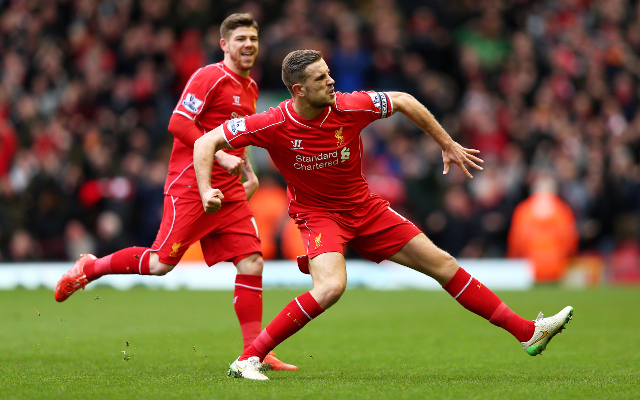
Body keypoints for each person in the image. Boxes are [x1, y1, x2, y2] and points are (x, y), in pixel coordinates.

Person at [193, 50, 574, 381]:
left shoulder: (350, 105)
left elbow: (404, 100)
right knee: (330, 288)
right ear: (299, 90)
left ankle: (528, 332)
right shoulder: (273, 122)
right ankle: (247, 359)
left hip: (365, 209)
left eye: (328, 73)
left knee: (443, 264)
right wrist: (209, 188)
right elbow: (205, 141)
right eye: (320, 78)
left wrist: (447, 144)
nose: (331, 81)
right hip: (320, 215)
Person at [54, 13, 296, 372]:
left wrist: (248, 170)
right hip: (190, 184)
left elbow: (238, 136)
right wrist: (221, 155)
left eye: (253, 39)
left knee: (252, 261)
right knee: (160, 264)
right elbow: (178, 123)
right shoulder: (209, 76)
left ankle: (254, 351)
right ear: (224, 45)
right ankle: (91, 267)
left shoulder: (251, 88)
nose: (248, 45)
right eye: (241, 38)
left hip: (228, 188)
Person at [508, 173, 579, 283]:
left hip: (530, 267)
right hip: (557, 265)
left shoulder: (523, 210)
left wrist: (514, 261)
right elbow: (569, 240)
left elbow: (517, 240)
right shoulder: (562, 210)